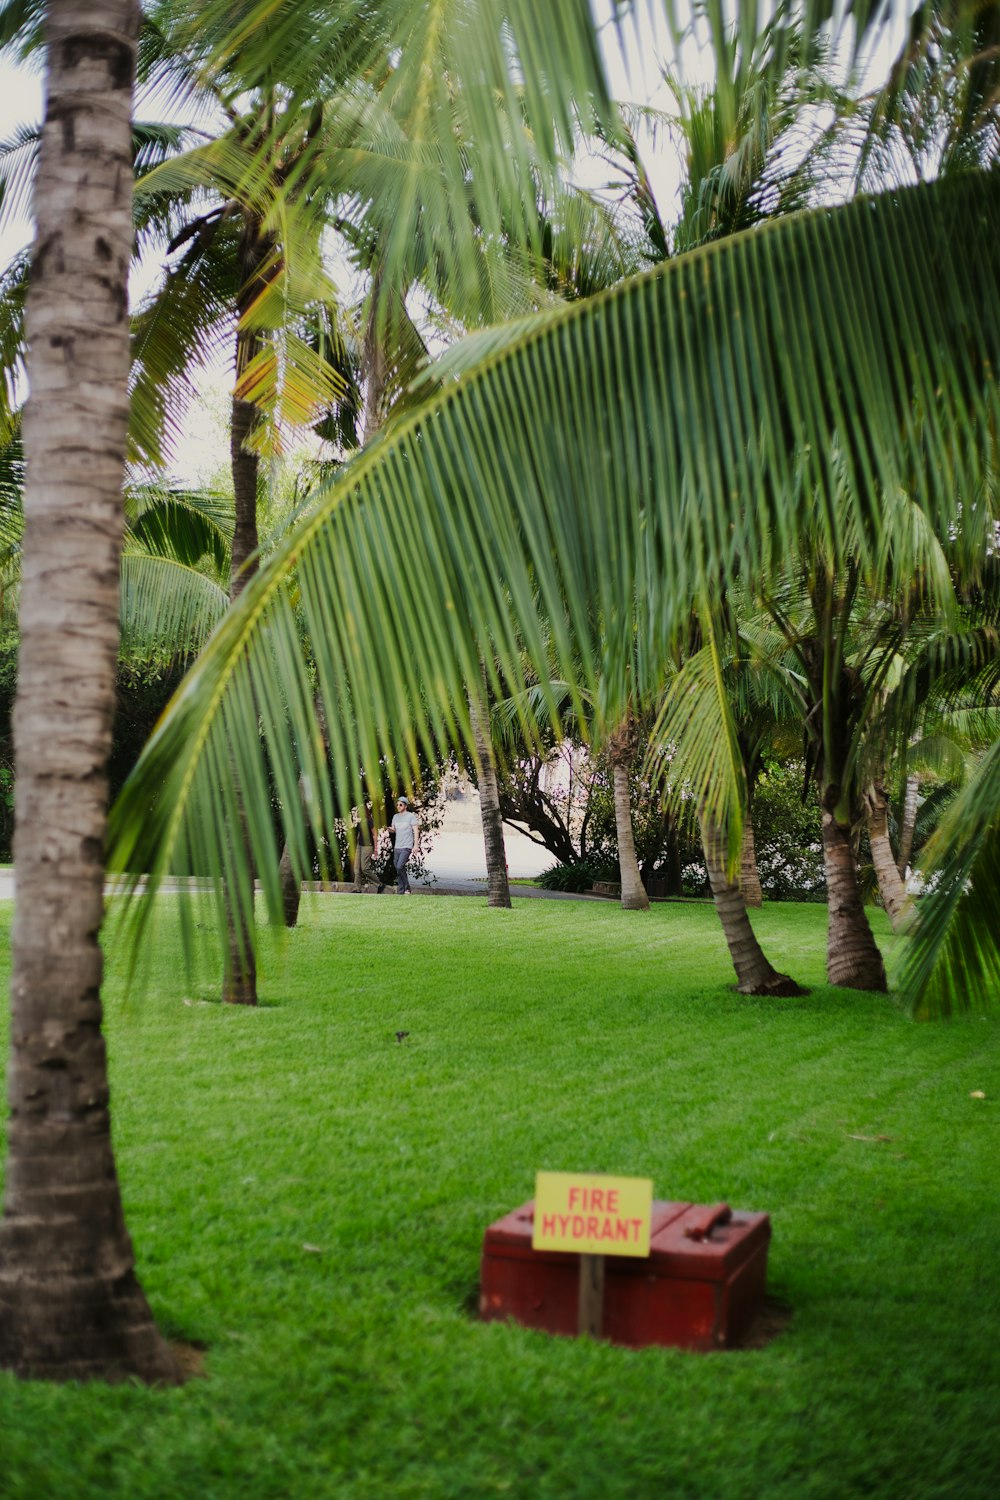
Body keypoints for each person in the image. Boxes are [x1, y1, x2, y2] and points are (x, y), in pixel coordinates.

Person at [390, 795, 421, 894]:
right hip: (397, 846)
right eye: (397, 805)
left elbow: (416, 831)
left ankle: (407, 888)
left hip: (406, 846)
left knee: (399, 866)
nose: (398, 806)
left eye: (400, 805)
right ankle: (402, 890)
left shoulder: (410, 816)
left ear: (405, 806)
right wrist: (390, 830)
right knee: (398, 868)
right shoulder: (395, 817)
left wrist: (416, 845)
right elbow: (394, 830)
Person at [352, 804, 376, 892]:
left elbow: (375, 834)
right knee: (356, 868)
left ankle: (379, 884)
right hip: (359, 846)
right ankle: (357, 888)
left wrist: (376, 849)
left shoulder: (370, 821)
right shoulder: (359, 823)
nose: (358, 813)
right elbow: (358, 836)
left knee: (365, 868)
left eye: (359, 811)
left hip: (367, 846)